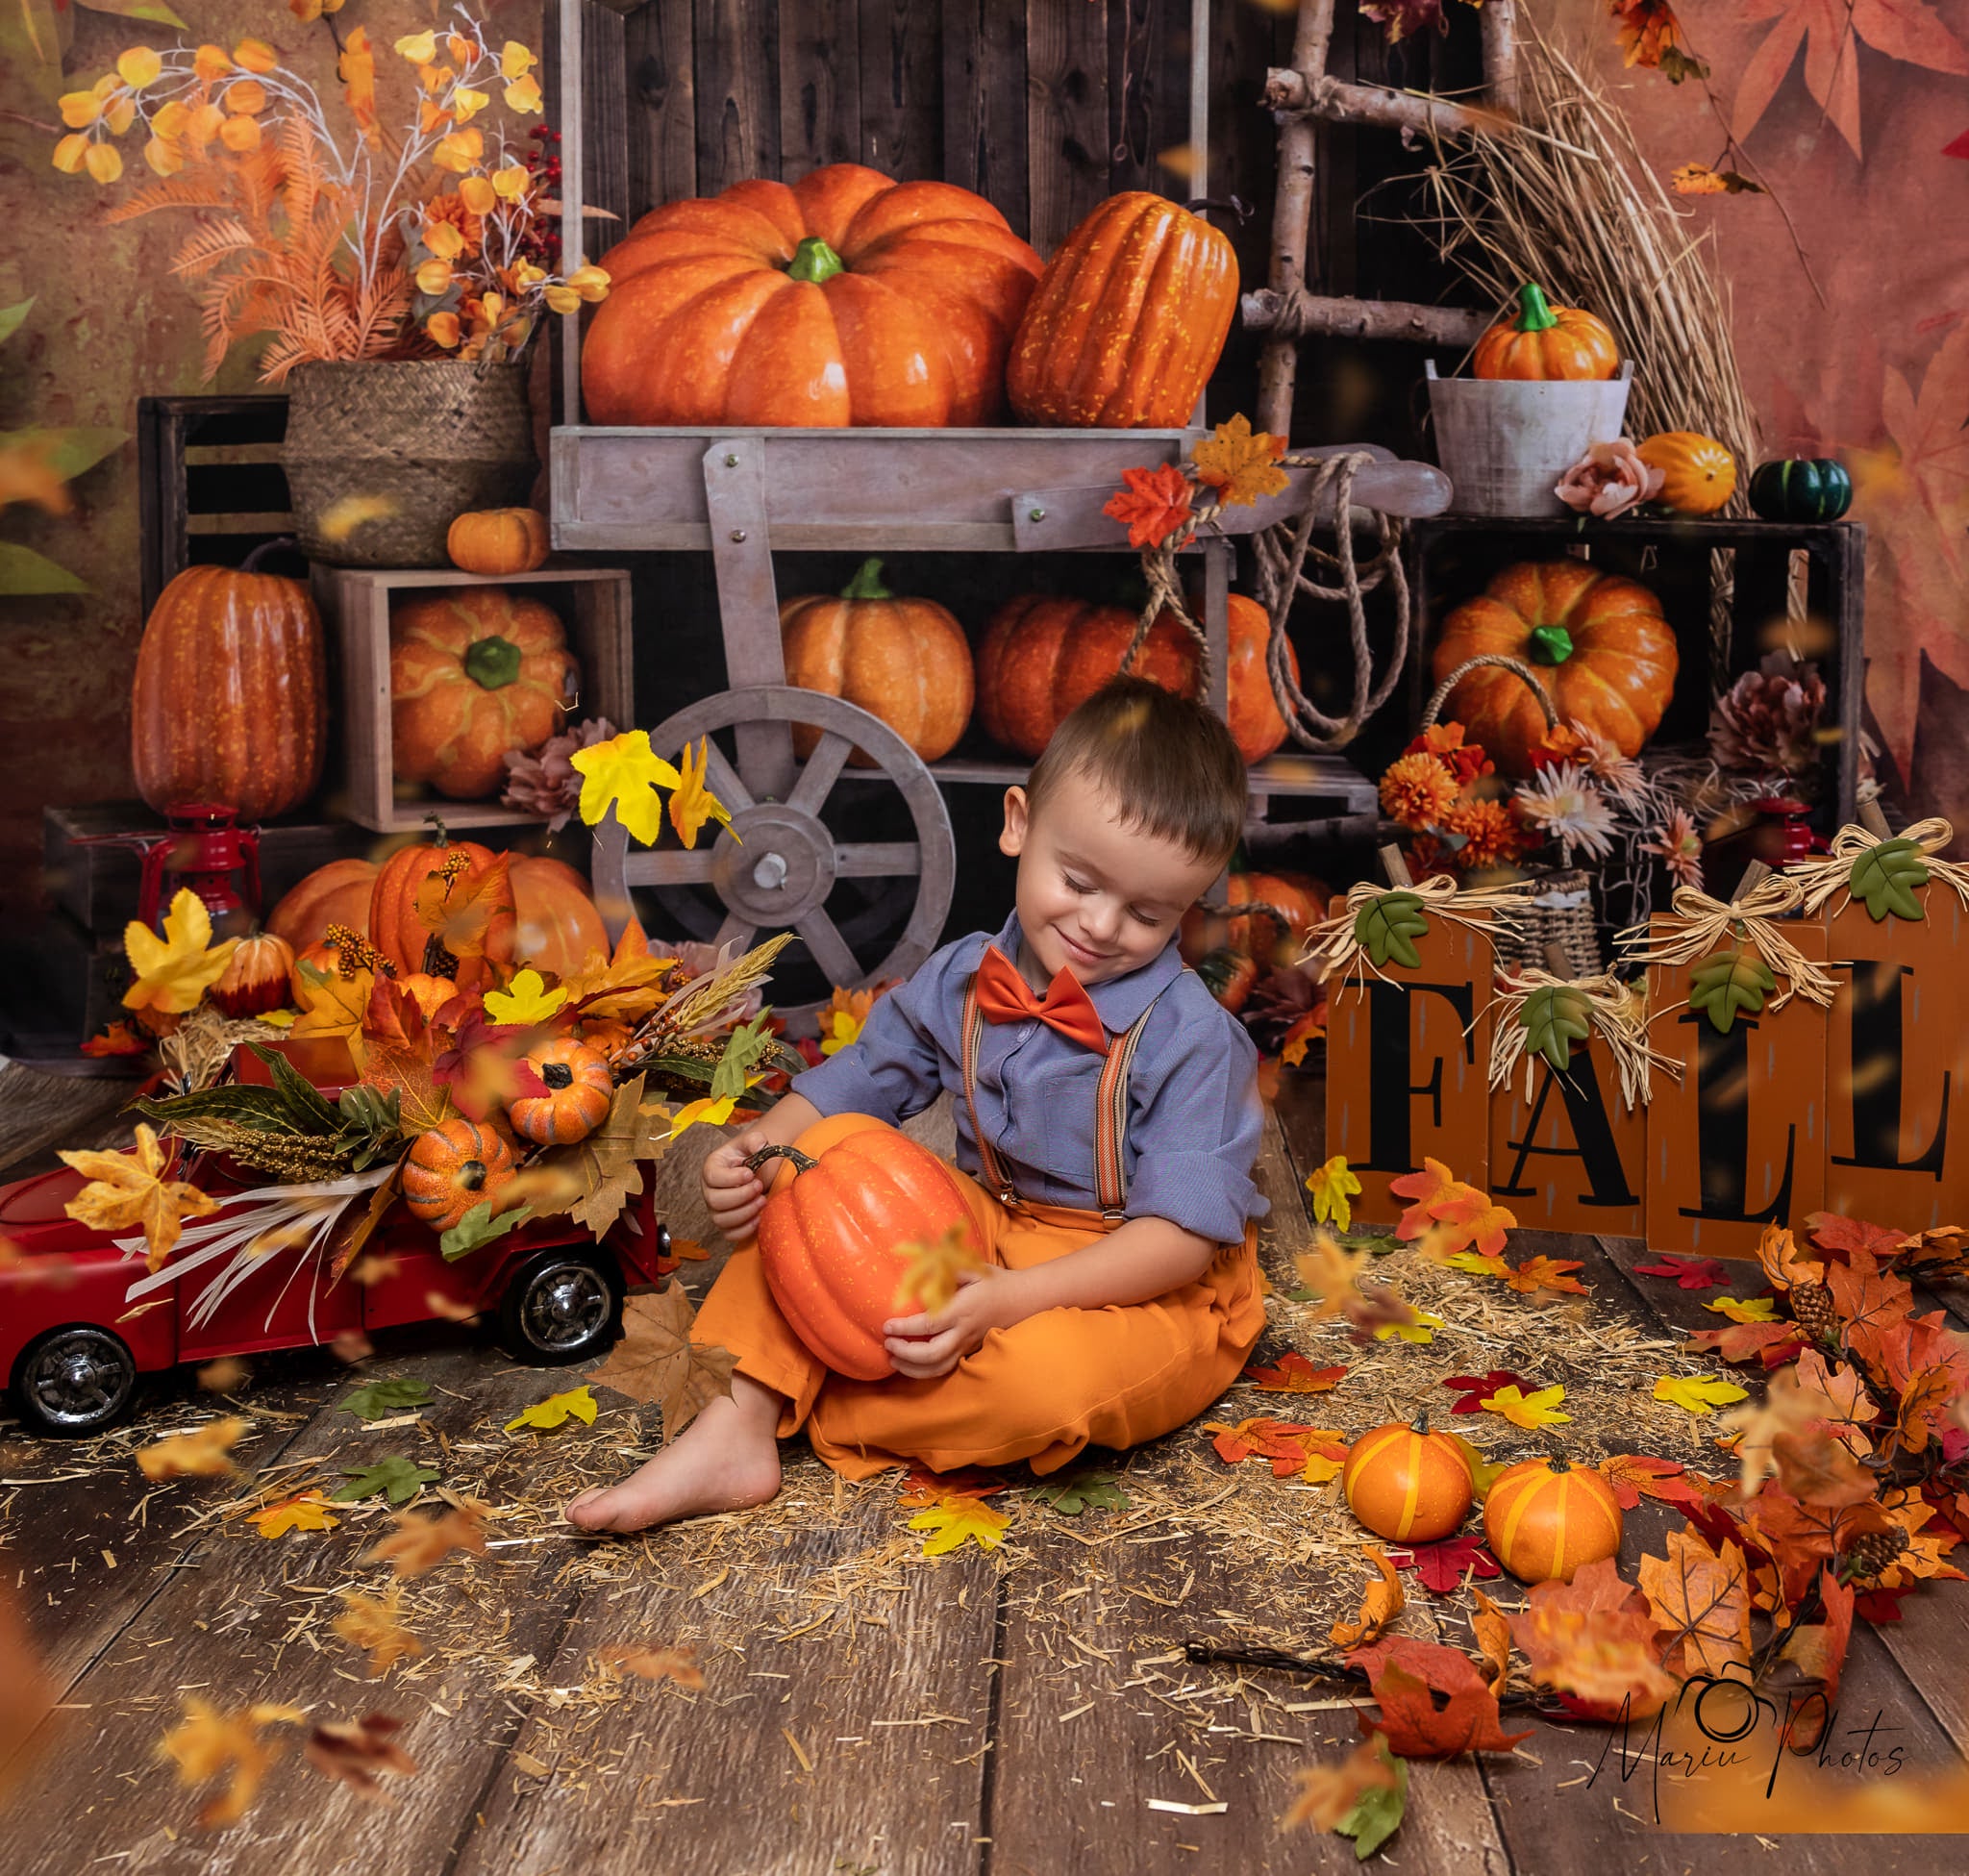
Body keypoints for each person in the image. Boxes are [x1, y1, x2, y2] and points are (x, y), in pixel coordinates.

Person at [565, 675, 1268, 1534]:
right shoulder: (967, 974)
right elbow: (863, 1076)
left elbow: (1180, 1242)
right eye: (1079, 880)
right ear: (1018, 823)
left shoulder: (1192, 1037)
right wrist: (761, 1145)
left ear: (1188, 906)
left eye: (1146, 912)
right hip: (984, 1223)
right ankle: (738, 1424)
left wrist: (1011, 1300)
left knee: (1044, 1388)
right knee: (816, 1167)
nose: (1099, 924)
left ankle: (811, 1392)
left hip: (1135, 1275)